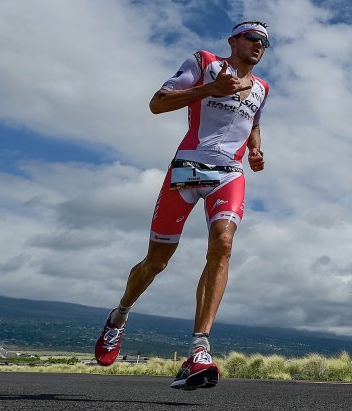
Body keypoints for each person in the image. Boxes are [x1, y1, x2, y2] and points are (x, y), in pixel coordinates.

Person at [95, 21, 271, 390]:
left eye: (265, 43)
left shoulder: (262, 87)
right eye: (253, 38)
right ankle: (119, 316)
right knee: (157, 261)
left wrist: (255, 148)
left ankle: (200, 350)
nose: (259, 46)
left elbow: (253, 120)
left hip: (229, 174)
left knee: (223, 245)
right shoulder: (204, 61)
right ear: (233, 40)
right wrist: (210, 88)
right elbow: (156, 104)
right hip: (188, 168)